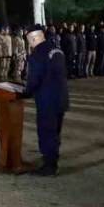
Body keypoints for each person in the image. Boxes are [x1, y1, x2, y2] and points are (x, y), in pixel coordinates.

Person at [18, 24, 69, 176]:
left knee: (46, 132)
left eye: (29, 40)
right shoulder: (57, 50)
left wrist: (26, 92)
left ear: (33, 38)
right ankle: (52, 159)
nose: (30, 43)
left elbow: (35, 78)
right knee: (55, 132)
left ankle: (49, 166)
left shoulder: (38, 54)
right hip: (61, 98)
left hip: (47, 100)